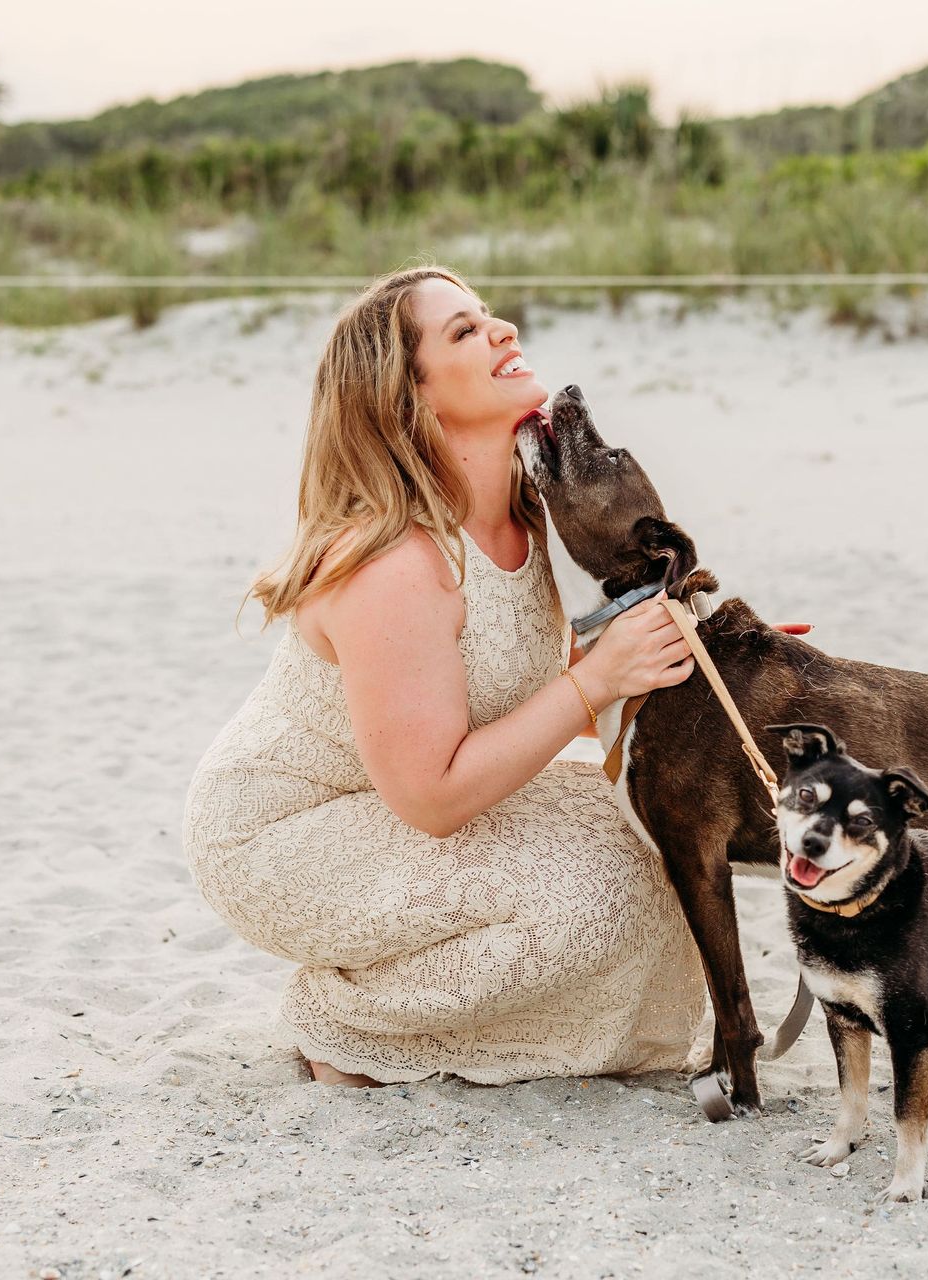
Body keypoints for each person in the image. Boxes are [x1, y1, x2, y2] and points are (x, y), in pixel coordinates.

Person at [183, 265, 709, 1086]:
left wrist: (696, 667)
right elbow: (433, 797)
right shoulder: (395, 563)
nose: (502, 330)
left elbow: (522, 691)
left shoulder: (532, 514)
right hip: (287, 831)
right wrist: (598, 679)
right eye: (464, 330)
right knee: (584, 904)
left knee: (658, 846)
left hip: (397, 791)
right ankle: (346, 1021)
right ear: (411, 400)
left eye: (487, 314)